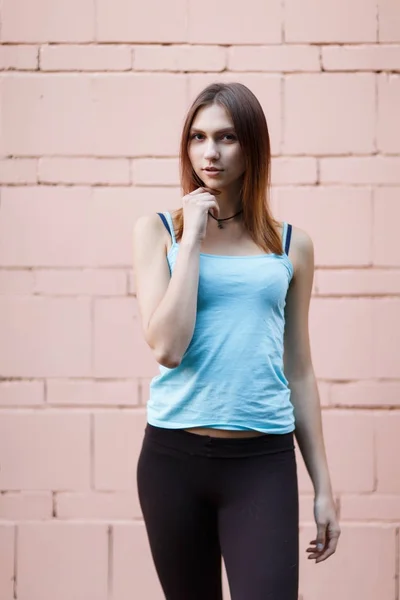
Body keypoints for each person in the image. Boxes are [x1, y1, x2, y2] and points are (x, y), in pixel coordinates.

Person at [133, 82, 340, 600]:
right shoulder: (158, 233)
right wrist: (195, 238)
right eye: (198, 137)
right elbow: (167, 347)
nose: (210, 152)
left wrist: (323, 487)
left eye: (226, 138)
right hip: (172, 460)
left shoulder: (292, 245)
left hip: (261, 462)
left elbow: (299, 369)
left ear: (251, 146)